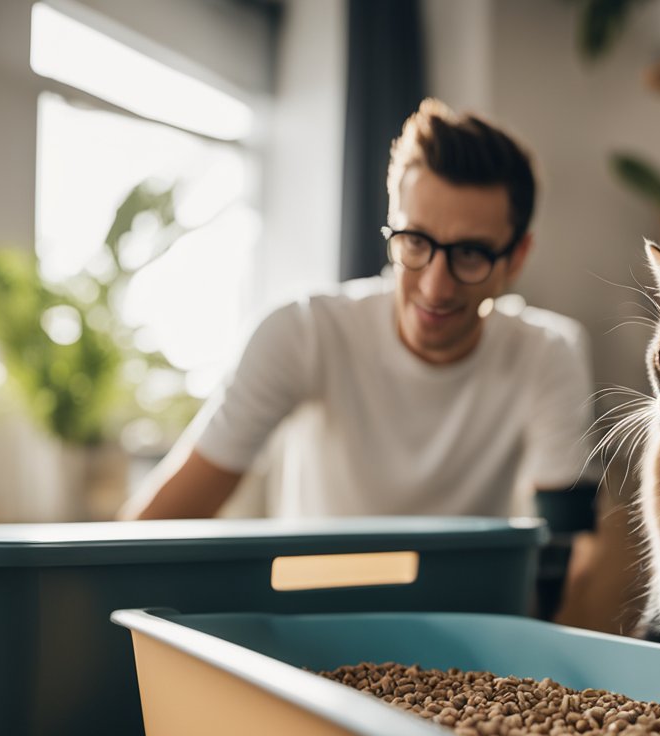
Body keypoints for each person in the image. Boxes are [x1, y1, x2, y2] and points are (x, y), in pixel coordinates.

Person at [120, 98, 599, 575]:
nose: (435, 286)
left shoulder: (548, 352)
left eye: (471, 253)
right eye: (415, 242)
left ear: (516, 258)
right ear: (391, 228)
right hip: (311, 625)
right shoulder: (303, 331)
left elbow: (574, 550)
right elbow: (154, 527)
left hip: (466, 632)